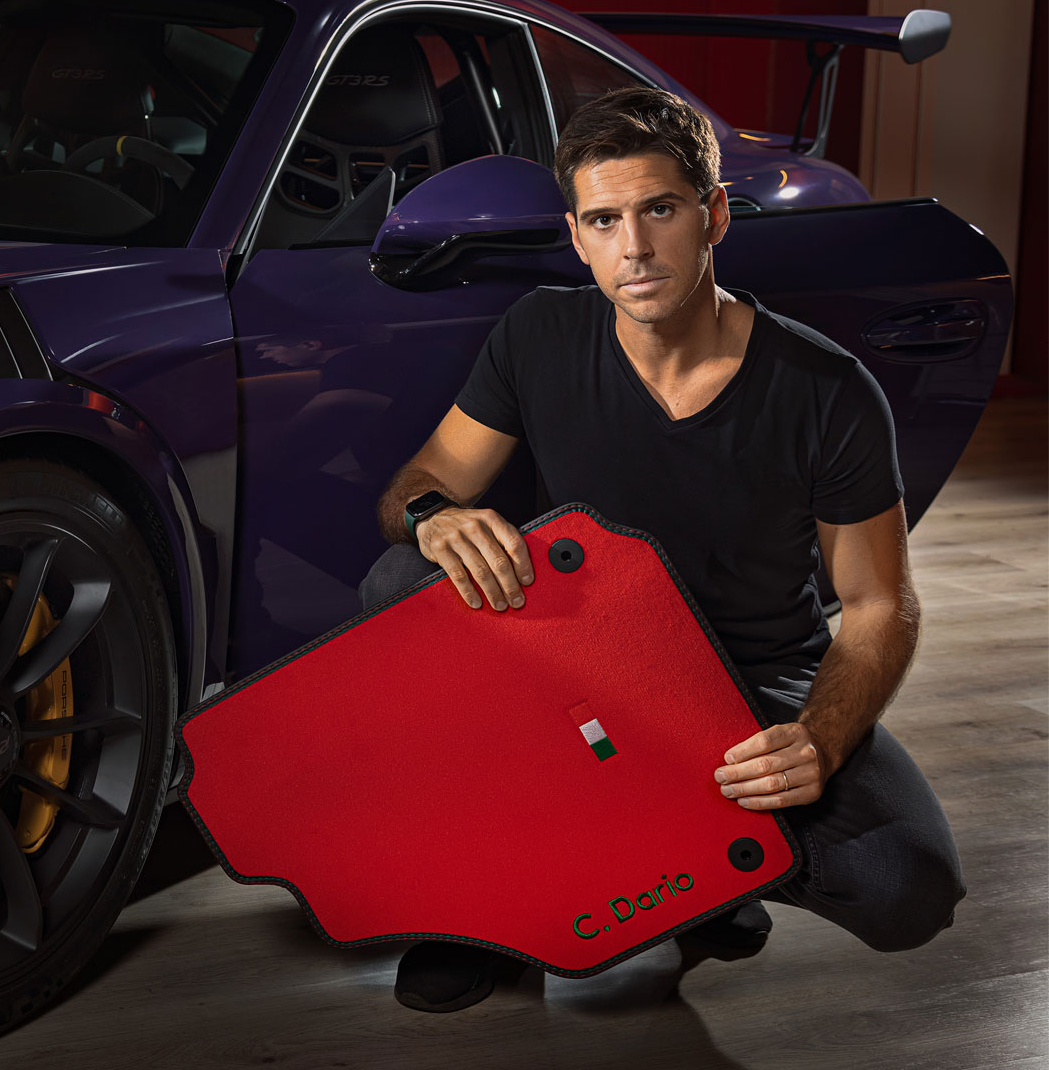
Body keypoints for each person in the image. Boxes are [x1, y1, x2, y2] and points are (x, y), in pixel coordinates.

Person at [362, 85, 966, 1013]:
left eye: (660, 210)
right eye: (605, 221)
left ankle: (710, 871)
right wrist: (434, 516)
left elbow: (881, 602)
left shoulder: (827, 388)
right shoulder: (538, 333)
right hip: (579, 663)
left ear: (713, 214)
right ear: (577, 237)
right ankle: (480, 901)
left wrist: (820, 737)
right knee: (402, 581)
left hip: (748, 681)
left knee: (905, 888)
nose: (635, 248)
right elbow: (416, 486)